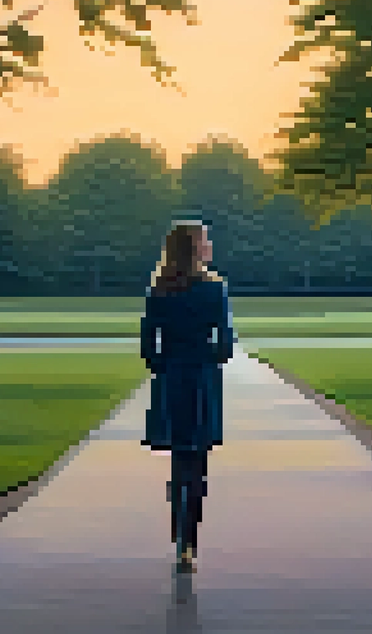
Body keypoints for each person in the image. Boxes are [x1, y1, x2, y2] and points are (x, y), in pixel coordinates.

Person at [141, 220, 235, 572]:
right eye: (205, 241)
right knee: (198, 464)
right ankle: (188, 546)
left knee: (178, 463)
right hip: (201, 379)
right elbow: (225, 345)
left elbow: (148, 349)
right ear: (196, 248)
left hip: (171, 379)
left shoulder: (158, 291)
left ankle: (177, 537)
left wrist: (168, 365)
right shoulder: (214, 290)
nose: (209, 245)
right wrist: (205, 360)